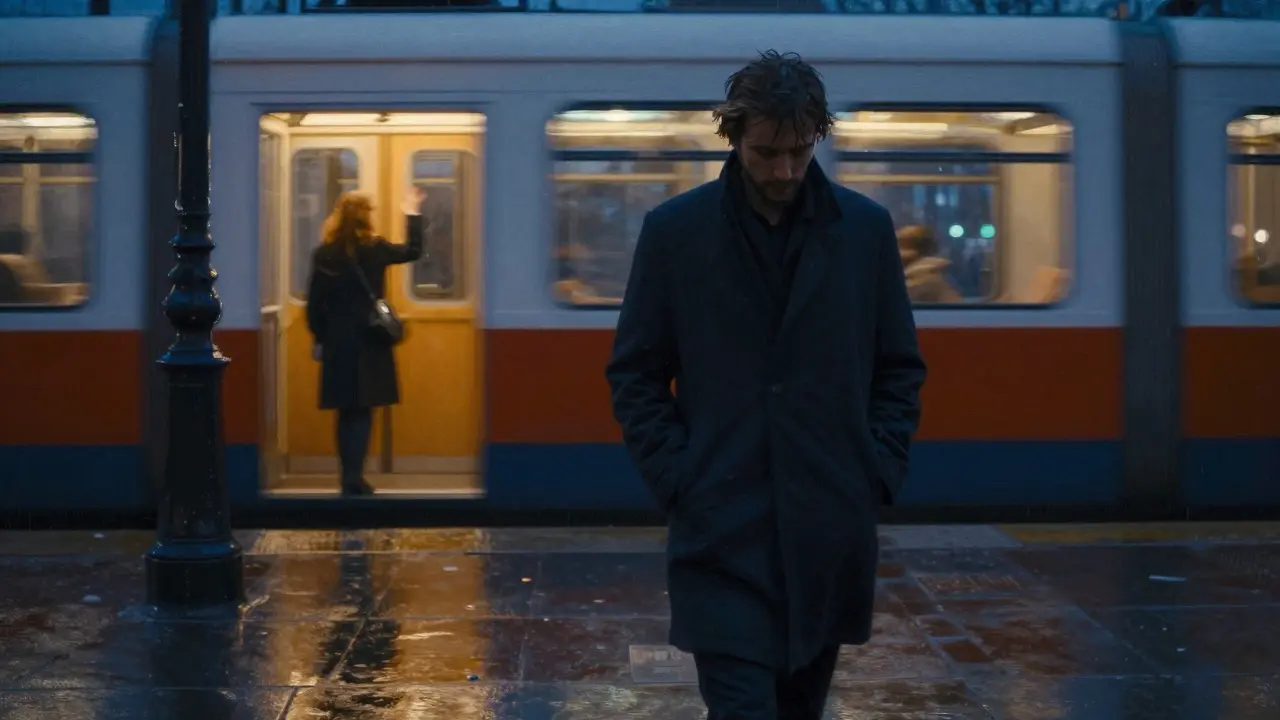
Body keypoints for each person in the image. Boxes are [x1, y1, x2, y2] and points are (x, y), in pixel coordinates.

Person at [604, 50, 927, 719]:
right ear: (733, 138)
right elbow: (635, 369)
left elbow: (897, 366)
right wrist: (676, 477)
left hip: (826, 527)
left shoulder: (864, 233)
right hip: (721, 527)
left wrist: (875, 469)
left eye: (799, 154)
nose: (783, 171)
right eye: (766, 154)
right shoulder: (675, 234)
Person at [306, 187, 426, 496]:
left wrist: (320, 338)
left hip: (338, 343)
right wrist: (411, 211)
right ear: (366, 217)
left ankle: (348, 474)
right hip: (371, 341)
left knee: (346, 411)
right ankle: (355, 478)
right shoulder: (375, 249)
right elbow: (414, 251)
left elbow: (314, 304)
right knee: (364, 410)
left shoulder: (324, 254)